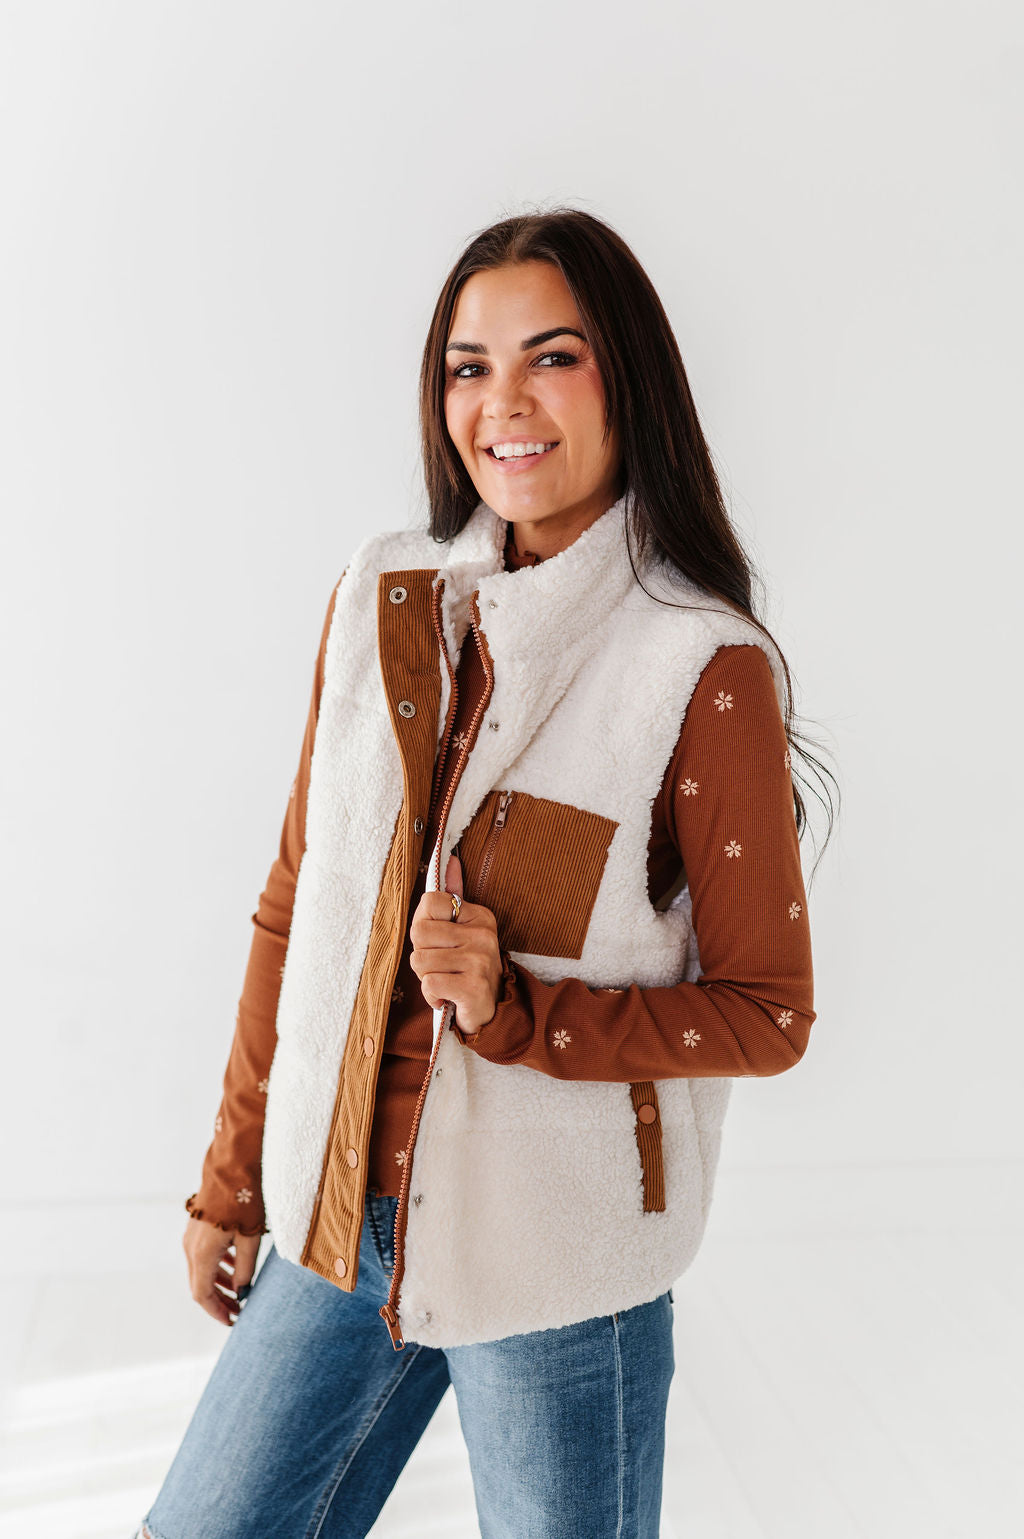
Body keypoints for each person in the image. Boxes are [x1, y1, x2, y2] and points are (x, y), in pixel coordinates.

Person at [136, 207, 831, 1539]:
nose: (502, 402)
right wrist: (234, 1180)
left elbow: (769, 1012)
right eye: (469, 366)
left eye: (551, 357)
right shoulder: (383, 600)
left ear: (628, 382)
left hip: (558, 1267)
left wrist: (522, 1014)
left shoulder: (698, 665)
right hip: (344, 1220)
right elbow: (298, 905)